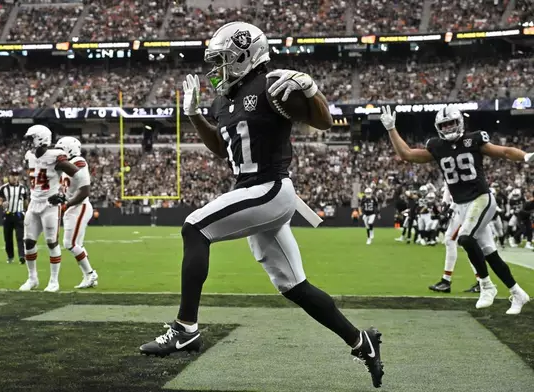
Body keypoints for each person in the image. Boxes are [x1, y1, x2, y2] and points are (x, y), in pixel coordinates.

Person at [139, 22, 384, 388]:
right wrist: (194, 115)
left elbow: (325, 121)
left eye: (223, 60)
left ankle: (185, 328)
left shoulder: (271, 85)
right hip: (254, 191)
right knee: (294, 286)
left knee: (195, 227)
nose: (217, 69)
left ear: (245, 54)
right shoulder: (223, 99)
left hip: (270, 188)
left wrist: (312, 91)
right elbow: (224, 149)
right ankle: (361, 341)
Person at [380, 105, 532, 314]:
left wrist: (525, 156)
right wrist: (391, 129)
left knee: (465, 238)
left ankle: (487, 286)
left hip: (481, 198)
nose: (449, 127)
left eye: (451, 122)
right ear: (438, 127)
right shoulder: (437, 146)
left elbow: (504, 152)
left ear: (460, 121)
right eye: (444, 125)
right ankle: (517, 293)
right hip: (461, 205)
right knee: (489, 252)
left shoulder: (474, 140)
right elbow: (407, 155)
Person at [19, 125, 81, 292]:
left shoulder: (56, 156)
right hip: (34, 202)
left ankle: (54, 281)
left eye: (31, 138)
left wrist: (64, 195)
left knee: (51, 243)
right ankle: (32, 278)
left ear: (40, 138)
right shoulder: (30, 155)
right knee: (28, 241)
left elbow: (77, 173)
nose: (29, 143)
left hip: (50, 205)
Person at [52, 136, 98, 289]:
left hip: (80, 206)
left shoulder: (78, 161)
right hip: (73, 206)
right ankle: (89, 275)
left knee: (70, 244)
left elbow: (85, 190)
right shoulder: (68, 166)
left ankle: (90, 274)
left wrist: (67, 204)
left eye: (60, 149)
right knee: (76, 244)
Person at [0, 168, 28, 264]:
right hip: (8, 215)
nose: (14, 177)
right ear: (9, 177)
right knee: (8, 238)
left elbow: (26, 202)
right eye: (12, 175)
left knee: (21, 237)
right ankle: (10, 256)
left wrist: (27, 211)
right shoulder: (3, 188)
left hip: (19, 215)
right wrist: (1, 204)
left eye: (16, 175)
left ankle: (22, 256)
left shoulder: (23, 188)